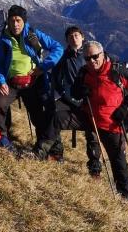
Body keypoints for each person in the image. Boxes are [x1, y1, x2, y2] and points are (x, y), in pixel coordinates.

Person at [33, 41, 128, 201]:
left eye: (95, 57)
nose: (91, 61)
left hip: (111, 122)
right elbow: (75, 92)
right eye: (87, 58)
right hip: (88, 116)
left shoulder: (118, 72)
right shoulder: (84, 72)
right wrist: (79, 91)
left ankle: (125, 195)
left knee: (118, 159)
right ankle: (40, 152)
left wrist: (124, 108)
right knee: (58, 117)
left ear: (102, 54)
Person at [0, 5, 63, 142]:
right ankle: (2, 138)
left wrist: (43, 67)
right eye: (12, 20)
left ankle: (43, 144)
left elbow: (58, 48)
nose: (15, 24)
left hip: (32, 82)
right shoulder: (4, 39)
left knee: (36, 114)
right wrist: (0, 81)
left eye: (18, 20)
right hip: (11, 82)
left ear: (24, 21)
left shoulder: (33, 35)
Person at [34, 26, 87, 161]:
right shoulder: (62, 56)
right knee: (52, 113)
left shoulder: (91, 54)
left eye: (76, 35)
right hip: (69, 98)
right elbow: (56, 76)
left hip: (89, 100)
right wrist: (60, 91)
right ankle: (55, 153)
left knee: (93, 130)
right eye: (70, 36)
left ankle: (95, 168)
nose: (73, 38)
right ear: (67, 40)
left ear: (82, 37)